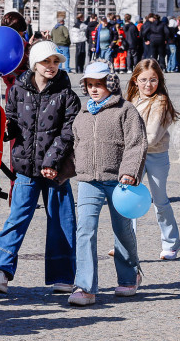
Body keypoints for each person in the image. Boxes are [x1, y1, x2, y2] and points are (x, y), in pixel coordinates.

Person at [0, 41, 79, 296]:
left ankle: (63, 275)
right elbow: (10, 117)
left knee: (61, 221)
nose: (51, 66)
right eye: (46, 61)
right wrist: (3, 128)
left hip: (56, 170)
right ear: (34, 64)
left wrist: (51, 161)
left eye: (55, 62)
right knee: (17, 217)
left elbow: (68, 133)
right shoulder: (17, 89)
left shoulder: (67, 95)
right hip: (24, 167)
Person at [68, 62, 147, 307]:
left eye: (99, 85)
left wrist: (129, 172)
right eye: (89, 85)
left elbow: (136, 143)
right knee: (85, 230)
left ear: (110, 84)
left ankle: (129, 276)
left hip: (118, 181)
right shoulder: (81, 114)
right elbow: (76, 144)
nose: (93, 89)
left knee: (122, 229)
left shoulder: (126, 110)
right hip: (88, 180)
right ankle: (85, 286)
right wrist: (77, 168)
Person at [125, 59, 180, 260]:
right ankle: (126, 244)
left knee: (160, 200)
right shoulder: (131, 99)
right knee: (128, 200)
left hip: (155, 155)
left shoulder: (161, 101)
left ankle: (171, 242)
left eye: (153, 80)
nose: (148, 85)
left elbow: (152, 136)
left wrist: (128, 143)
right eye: (144, 80)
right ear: (135, 80)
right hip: (133, 156)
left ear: (160, 80)